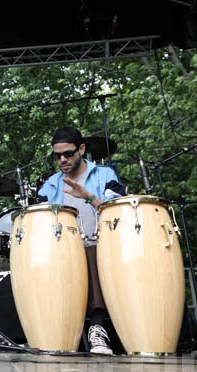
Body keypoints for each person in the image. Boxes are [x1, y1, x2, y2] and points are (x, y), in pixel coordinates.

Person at [37, 127, 126, 355]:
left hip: (102, 247)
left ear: (82, 149)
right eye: (57, 156)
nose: (63, 160)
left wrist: (88, 196)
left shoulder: (105, 175)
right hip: (62, 254)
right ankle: (53, 333)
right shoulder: (50, 185)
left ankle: (97, 329)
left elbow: (116, 212)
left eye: (68, 153)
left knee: (90, 252)